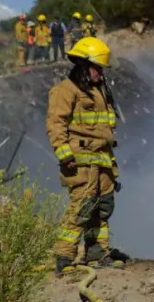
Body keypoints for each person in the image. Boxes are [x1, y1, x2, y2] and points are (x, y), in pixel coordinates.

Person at [45, 36, 130, 275]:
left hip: (102, 160)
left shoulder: (98, 92)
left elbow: (105, 127)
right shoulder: (65, 91)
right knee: (82, 208)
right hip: (81, 162)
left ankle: (96, 253)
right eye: (97, 68)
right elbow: (55, 124)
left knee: (102, 208)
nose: (100, 74)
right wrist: (65, 155)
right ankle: (65, 255)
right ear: (83, 65)